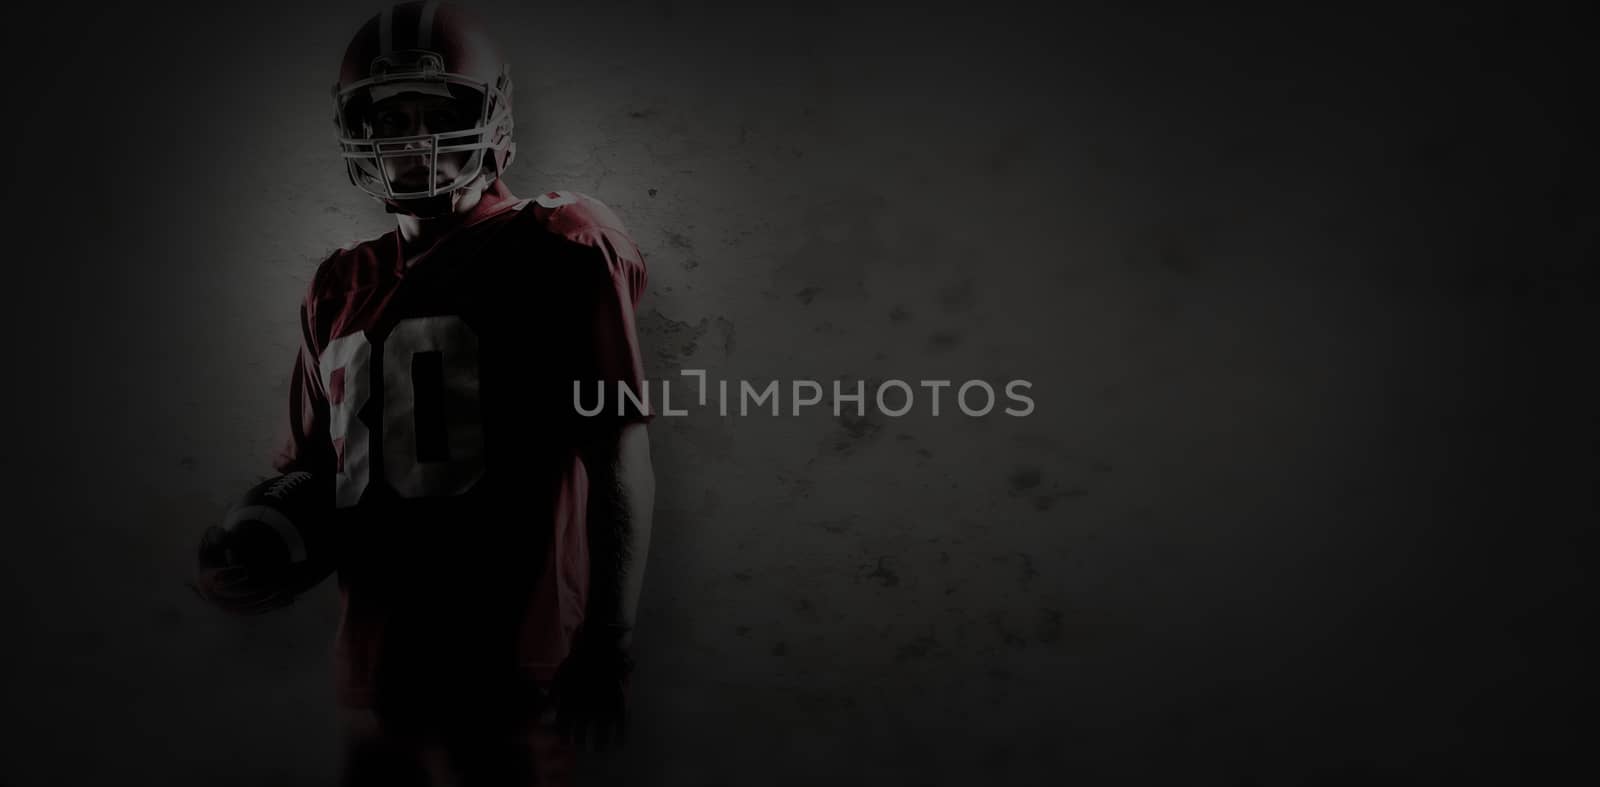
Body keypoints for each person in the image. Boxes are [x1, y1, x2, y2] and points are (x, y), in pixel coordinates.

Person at [194, 3, 656, 784]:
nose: (412, 138)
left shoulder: (556, 242)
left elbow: (618, 451)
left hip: (517, 666)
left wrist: (607, 639)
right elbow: (323, 475)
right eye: (390, 115)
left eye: (437, 111)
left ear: (491, 115)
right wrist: (262, 540)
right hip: (379, 674)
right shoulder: (339, 283)